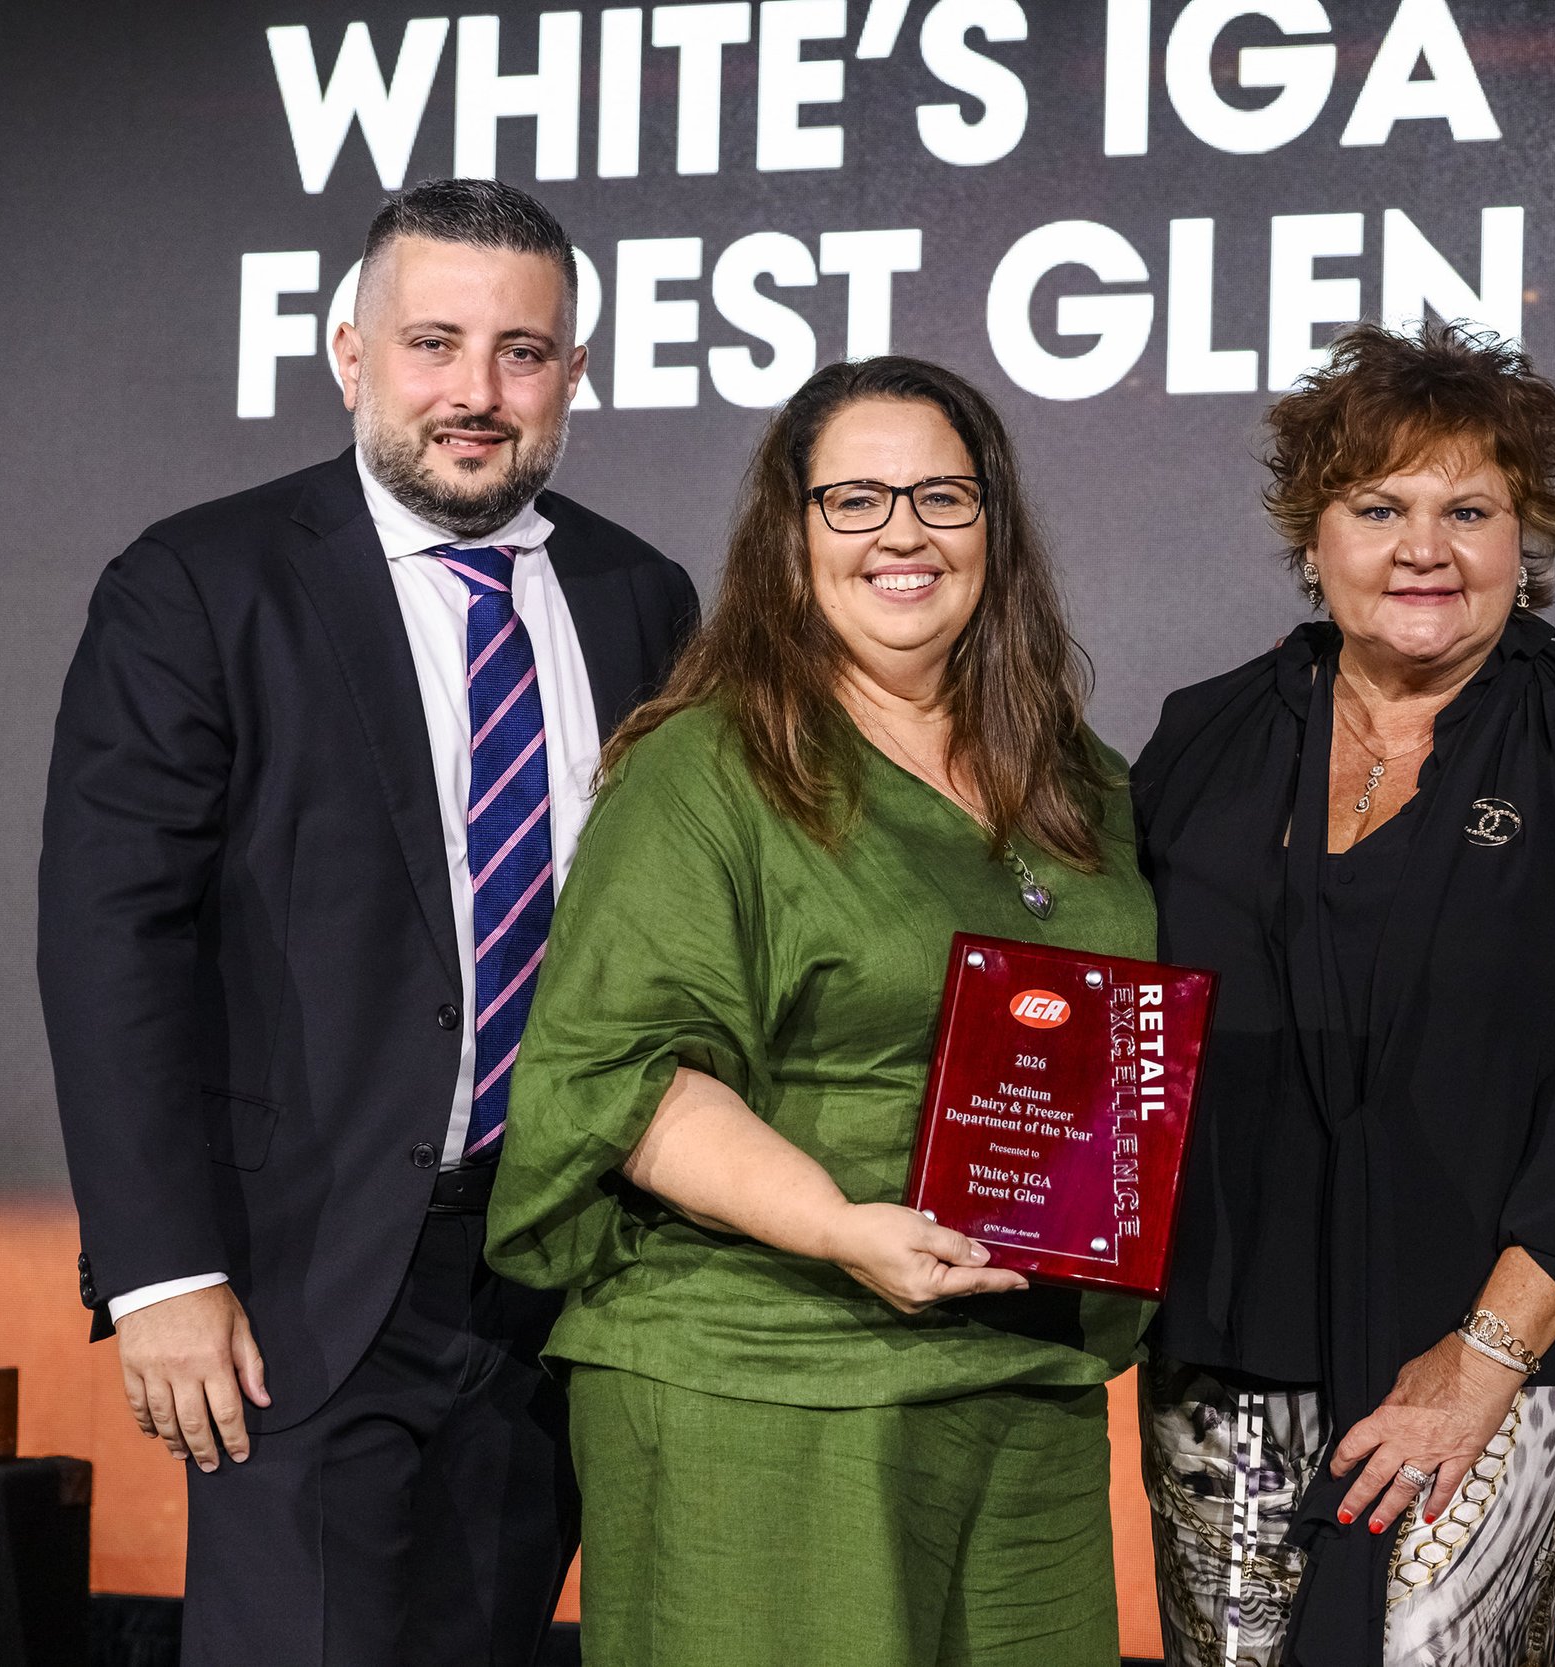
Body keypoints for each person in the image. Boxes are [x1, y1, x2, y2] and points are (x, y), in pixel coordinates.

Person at [36, 179, 696, 1664]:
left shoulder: (638, 597)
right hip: (300, 1285)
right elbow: (110, 941)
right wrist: (161, 1271)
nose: (477, 393)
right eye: (433, 343)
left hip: (557, 1286)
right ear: (350, 355)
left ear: (575, 376)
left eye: (523, 352)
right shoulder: (201, 585)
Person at [483, 355, 1153, 1667]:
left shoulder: (1076, 779)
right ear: (790, 541)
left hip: (1026, 1374)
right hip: (768, 1374)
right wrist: (843, 1229)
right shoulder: (706, 768)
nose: (904, 533)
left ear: (994, 528)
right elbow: (626, 1078)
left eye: (943, 497)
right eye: (856, 500)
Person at [1129, 321, 1555, 1667]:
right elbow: (1122, 1022)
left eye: (1470, 510)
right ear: (1313, 533)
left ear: (1528, 536)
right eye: (1378, 507)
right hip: (1232, 1355)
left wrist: (1484, 1354)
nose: (1424, 549)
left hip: (1498, 1354)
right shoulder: (1204, 735)